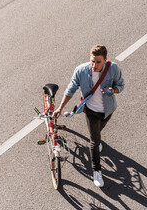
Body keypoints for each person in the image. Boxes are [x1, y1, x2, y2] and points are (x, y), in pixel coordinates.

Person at [53, 44, 124, 187]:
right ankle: (97, 171)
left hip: (108, 110)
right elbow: (71, 88)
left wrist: (113, 90)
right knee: (94, 141)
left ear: (105, 60)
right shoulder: (81, 71)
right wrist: (60, 108)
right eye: (92, 61)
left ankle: (96, 142)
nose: (94, 65)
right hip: (91, 111)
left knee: (97, 133)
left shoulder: (113, 68)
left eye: (98, 62)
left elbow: (121, 85)